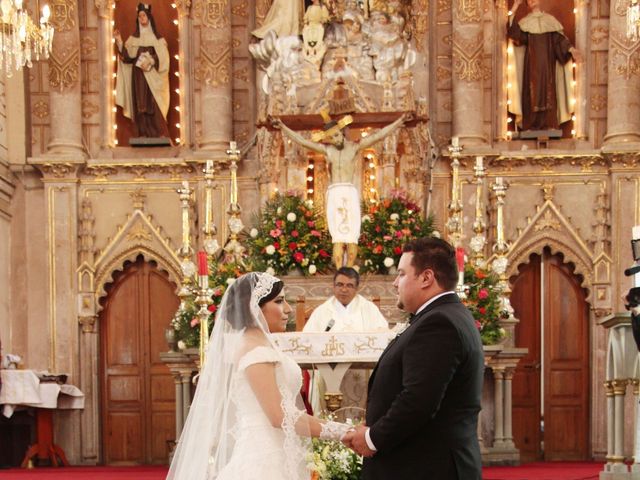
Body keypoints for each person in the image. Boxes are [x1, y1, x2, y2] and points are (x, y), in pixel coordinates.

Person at [167, 272, 352, 479]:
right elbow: (279, 416)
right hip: (263, 460)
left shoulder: (259, 344)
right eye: (280, 301)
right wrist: (341, 431)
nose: (288, 309)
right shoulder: (256, 351)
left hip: (275, 451)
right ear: (254, 307)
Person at [343, 237, 484, 479]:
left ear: (426, 278)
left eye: (401, 274)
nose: (395, 283)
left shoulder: (439, 323)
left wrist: (372, 438)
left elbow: (419, 400)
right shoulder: (444, 316)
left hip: (426, 466)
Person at [274, 112, 407, 268]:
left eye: (337, 135)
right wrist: (283, 127)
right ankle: (339, 271)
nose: (336, 139)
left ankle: (350, 269)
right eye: (332, 137)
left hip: (349, 193)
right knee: (337, 236)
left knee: (351, 236)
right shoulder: (328, 150)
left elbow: (378, 136)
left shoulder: (354, 147)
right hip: (334, 193)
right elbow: (302, 141)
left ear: (342, 132)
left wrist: (399, 121)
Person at [303, 267, 388, 412]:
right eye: (340, 285)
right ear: (333, 286)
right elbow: (307, 341)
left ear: (357, 288)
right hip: (328, 371)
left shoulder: (369, 309)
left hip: (362, 374)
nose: (344, 289)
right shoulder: (322, 312)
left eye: (349, 285)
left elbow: (382, 337)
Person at [507, 0, 582, 131]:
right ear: (527, 4)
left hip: (548, 65)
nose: (532, 0)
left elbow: (559, 40)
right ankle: (531, 125)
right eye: (529, 0)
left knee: (549, 92)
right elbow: (515, 34)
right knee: (531, 93)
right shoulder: (525, 23)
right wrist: (515, 6)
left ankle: (549, 124)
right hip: (531, 66)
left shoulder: (550, 21)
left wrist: (571, 50)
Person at [114, 3, 170, 139]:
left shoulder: (158, 39)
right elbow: (127, 57)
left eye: (144, 15)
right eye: (139, 16)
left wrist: (151, 60)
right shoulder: (133, 39)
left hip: (154, 77)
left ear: (149, 17)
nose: (142, 18)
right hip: (139, 77)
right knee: (141, 105)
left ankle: (159, 133)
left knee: (154, 103)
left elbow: (164, 58)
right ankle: (142, 133)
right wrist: (120, 41)